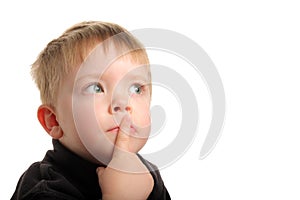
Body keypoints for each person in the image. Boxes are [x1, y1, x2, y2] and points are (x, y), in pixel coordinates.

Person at [11, 21, 171, 200]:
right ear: (54, 120)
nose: (122, 103)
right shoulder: (43, 190)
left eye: (136, 89)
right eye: (96, 88)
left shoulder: (145, 175)